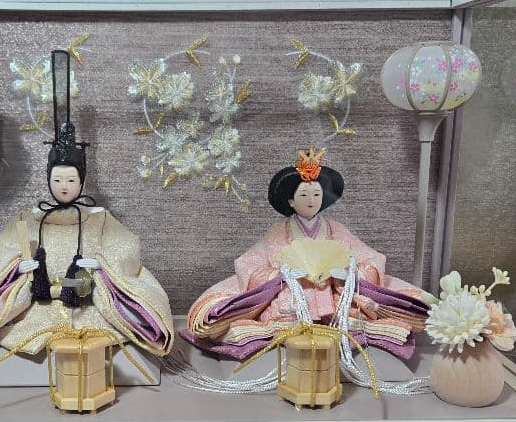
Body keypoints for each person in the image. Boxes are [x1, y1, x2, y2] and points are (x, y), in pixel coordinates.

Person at [0, 52, 173, 357]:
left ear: (82, 182)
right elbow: (0, 247)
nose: (64, 186)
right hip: (34, 307)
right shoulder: (30, 218)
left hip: (86, 303)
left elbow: (127, 246)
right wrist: (16, 266)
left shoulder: (99, 218)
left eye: (71, 180)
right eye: (58, 180)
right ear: (48, 180)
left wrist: (102, 265)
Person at [182, 147, 428, 360]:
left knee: (375, 311)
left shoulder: (335, 229)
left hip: (333, 295)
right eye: (304, 195)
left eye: (316, 195)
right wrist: (279, 275)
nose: (311, 200)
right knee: (228, 314)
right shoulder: (278, 232)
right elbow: (249, 262)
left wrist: (348, 273)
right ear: (291, 201)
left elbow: (370, 258)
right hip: (291, 294)